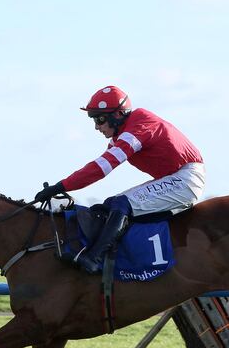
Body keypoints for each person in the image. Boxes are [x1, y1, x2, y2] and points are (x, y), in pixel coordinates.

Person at [34, 85, 205, 274]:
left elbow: (100, 168)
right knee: (109, 205)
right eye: (94, 120)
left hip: (187, 179)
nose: (97, 126)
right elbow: (94, 168)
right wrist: (61, 186)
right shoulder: (122, 136)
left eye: (99, 119)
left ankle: (93, 259)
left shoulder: (140, 125)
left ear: (118, 115)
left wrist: (59, 187)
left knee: (122, 204)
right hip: (176, 177)